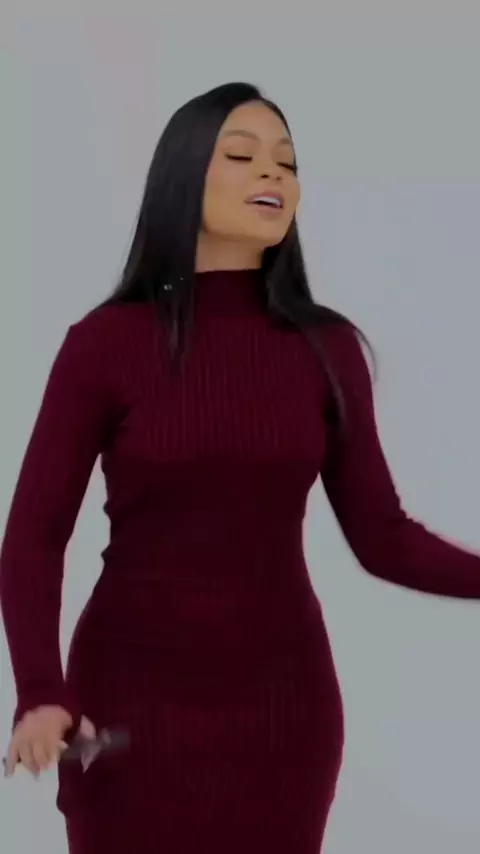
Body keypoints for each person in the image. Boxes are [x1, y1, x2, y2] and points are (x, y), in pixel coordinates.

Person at [1, 81, 480, 854]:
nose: (273, 174)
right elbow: (34, 536)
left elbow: (383, 536)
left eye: (287, 163)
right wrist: (39, 692)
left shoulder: (327, 348)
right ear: (184, 174)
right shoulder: (105, 344)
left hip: (283, 712)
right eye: (243, 155)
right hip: (128, 704)